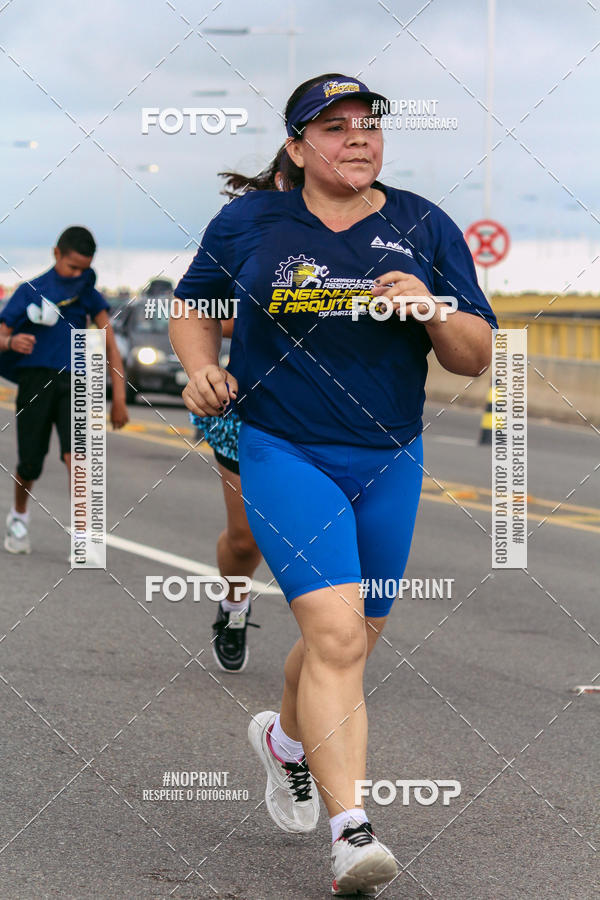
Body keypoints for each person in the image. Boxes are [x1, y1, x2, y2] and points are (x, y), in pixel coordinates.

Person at [171, 73, 497, 896]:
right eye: (335, 127)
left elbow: (474, 352)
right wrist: (202, 366)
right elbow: (192, 305)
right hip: (285, 448)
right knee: (339, 638)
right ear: (296, 147)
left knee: (354, 637)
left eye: (368, 126)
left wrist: (431, 306)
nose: (357, 139)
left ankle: (285, 740)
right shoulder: (251, 222)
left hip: (390, 456)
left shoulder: (422, 223)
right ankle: (353, 833)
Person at [190, 145, 301, 673]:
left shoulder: (364, 230)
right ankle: (234, 604)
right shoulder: (249, 233)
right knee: (246, 538)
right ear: (282, 181)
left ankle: (331, 652)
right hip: (248, 405)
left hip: (337, 411)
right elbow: (203, 308)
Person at [0, 226, 128, 555]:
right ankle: (18, 516)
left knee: (79, 457)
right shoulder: (31, 290)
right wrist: (11, 341)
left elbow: (110, 344)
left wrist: (120, 399)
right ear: (56, 253)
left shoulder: (87, 291)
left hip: (77, 381)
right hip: (35, 380)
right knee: (30, 463)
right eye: (72, 267)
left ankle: (83, 534)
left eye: (84, 268)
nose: (78, 274)